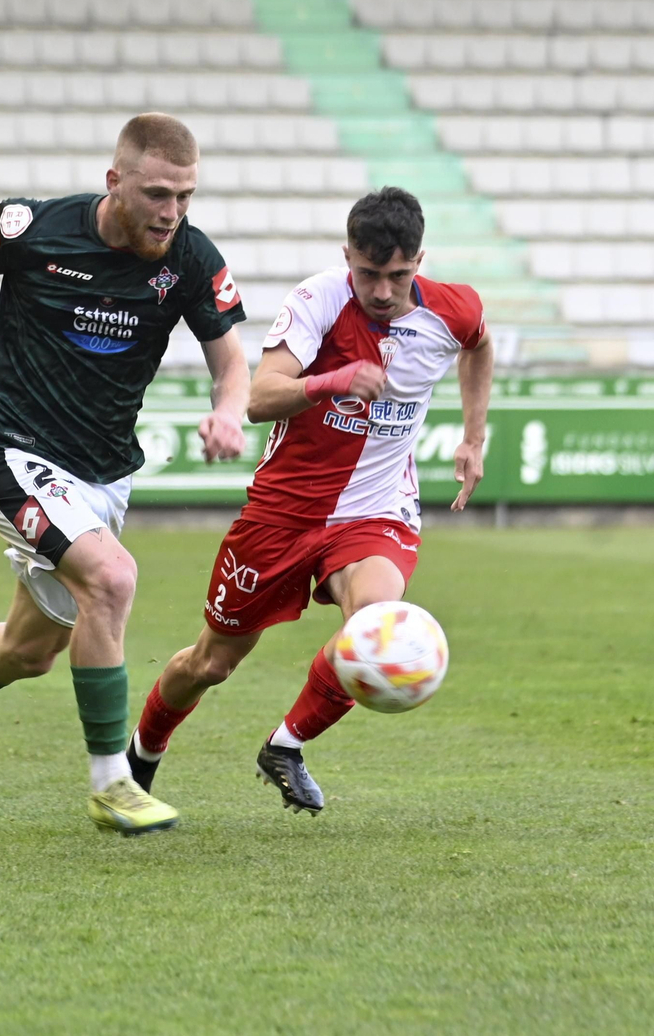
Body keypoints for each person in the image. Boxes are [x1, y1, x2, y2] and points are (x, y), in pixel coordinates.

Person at [0, 113, 249, 835]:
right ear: (115, 181)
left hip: (102, 472)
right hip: (14, 448)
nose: (172, 212)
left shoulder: (191, 259)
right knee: (112, 579)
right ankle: (112, 783)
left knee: (27, 652)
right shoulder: (36, 229)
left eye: (186, 195)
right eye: (158, 194)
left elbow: (231, 361)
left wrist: (228, 410)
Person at [127, 187, 494, 814]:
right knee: (212, 662)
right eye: (369, 274)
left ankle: (286, 744)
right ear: (347, 256)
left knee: (373, 627)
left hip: (376, 510)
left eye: (398, 275)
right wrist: (331, 380)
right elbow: (259, 397)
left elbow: (479, 345)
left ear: (419, 260)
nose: (382, 291)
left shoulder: (453, 309)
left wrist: (473, 438)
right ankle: (142, 754)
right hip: (282, 513)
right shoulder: (319, 299)